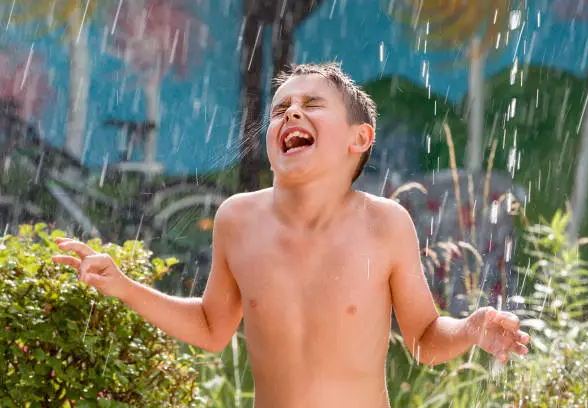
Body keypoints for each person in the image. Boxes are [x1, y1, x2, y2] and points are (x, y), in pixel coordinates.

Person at [53, 62, 530, 408]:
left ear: (358, 139)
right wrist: (122, 285)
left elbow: (423, 338)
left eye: (311, 105)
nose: (291, 114)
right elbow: (212, 327)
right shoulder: (237, 220)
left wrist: (470, 329)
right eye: (281, 108)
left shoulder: (384, 225)